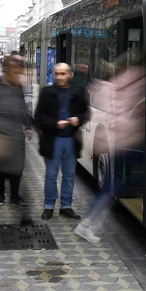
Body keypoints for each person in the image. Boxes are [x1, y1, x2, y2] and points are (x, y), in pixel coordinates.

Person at [74, 49, 146, 242]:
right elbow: (126, 116)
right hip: (125, 143)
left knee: (114, 184)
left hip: (119, 144)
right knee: (113, 185)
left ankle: (88, 223)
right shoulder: (136, 79)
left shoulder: (109, 84)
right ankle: (87, 224)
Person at [0, 55, 33, 226]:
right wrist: (1, 131)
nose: (18, 75)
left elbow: (22, 110)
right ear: (7, 70)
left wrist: (28, 125)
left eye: (20, 72)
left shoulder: (18, 88)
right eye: (16, 72)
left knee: (18, 174)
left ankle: (22, 211)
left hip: (16, 139)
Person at [34, 63, 90, 221]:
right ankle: (49, 206)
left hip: (71, 141)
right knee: (51, 175)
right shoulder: (47, 92)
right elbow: (39, 118)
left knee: (69, 176)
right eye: (57, 73)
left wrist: (78, 119)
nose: (59, 77)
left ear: (70, 75)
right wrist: (55, 124)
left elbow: (86, 113)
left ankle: (66, 206)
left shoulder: (79, 92)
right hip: (53, 141)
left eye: (63, 74)